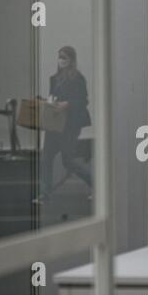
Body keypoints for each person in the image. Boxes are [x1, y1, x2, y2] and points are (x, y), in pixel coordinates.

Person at [34, 46, 92, 204]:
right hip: (55, 121)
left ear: (71, 60)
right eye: (60, 57)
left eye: (64, 57)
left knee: (68, 159)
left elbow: (83, 100)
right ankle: (44, 194)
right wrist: (49, 102)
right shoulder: (54, 78)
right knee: (46, 158)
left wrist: (66, 104)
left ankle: (94, 182)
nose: (61, 60)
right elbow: (53, 96)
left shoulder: (78, 79)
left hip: (71, 124)